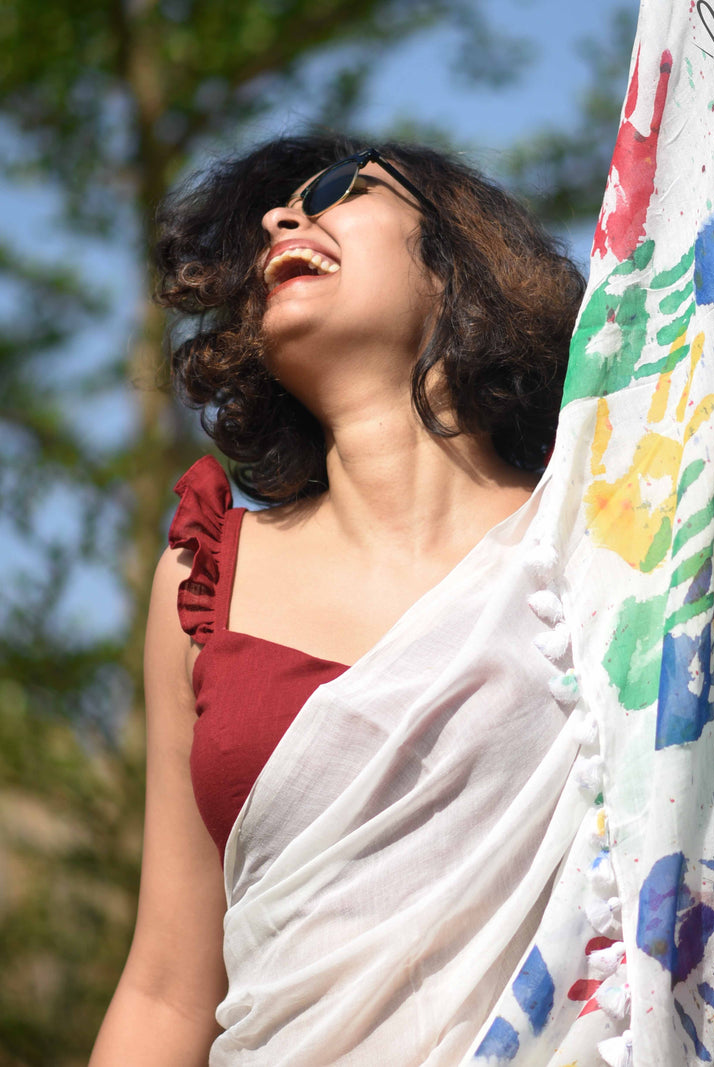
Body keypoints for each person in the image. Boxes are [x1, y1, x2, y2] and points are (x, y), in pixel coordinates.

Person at [89, 134, 586, 1066]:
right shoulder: (202, 583)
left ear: (457, 261)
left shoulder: (602, 543)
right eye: (265, 227)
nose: (285, 219)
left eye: (332, 192)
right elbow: (166, 986)